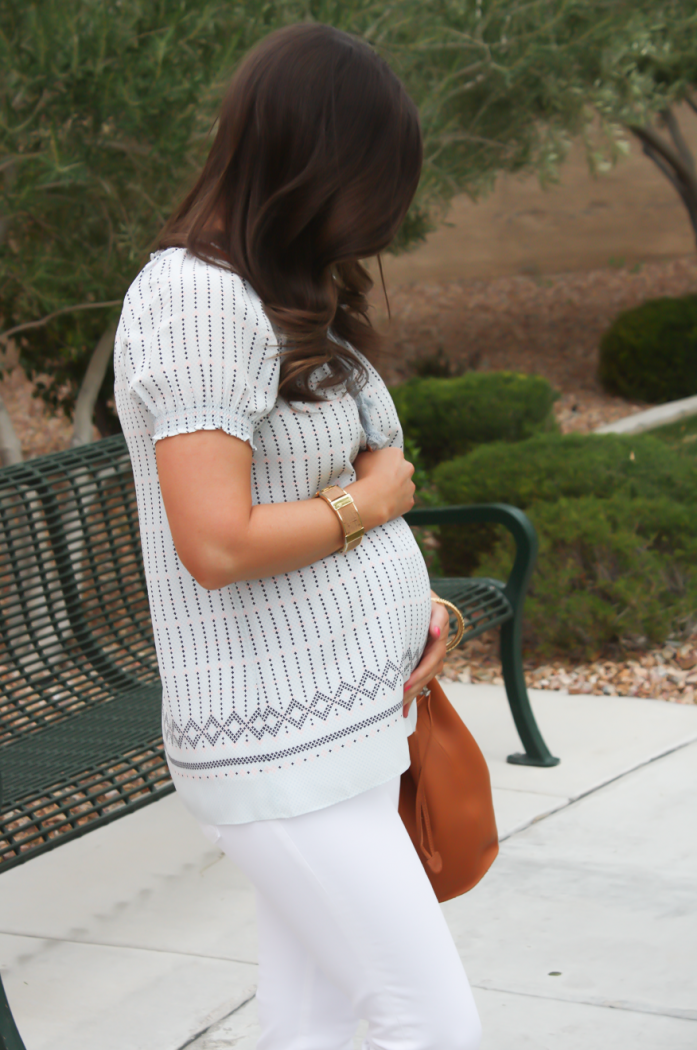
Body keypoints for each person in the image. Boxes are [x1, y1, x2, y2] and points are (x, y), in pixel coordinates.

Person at [115, 22, 481, 1050]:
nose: (382, 223)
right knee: (432, 1024)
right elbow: (217, 543)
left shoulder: (282, 288)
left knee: (310, 1025)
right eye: (374, 186)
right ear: (313, 163)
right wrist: (371, 506)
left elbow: (322, 495)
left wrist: (423, 608)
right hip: (276, 748)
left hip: (347, 730)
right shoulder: (196, 301)